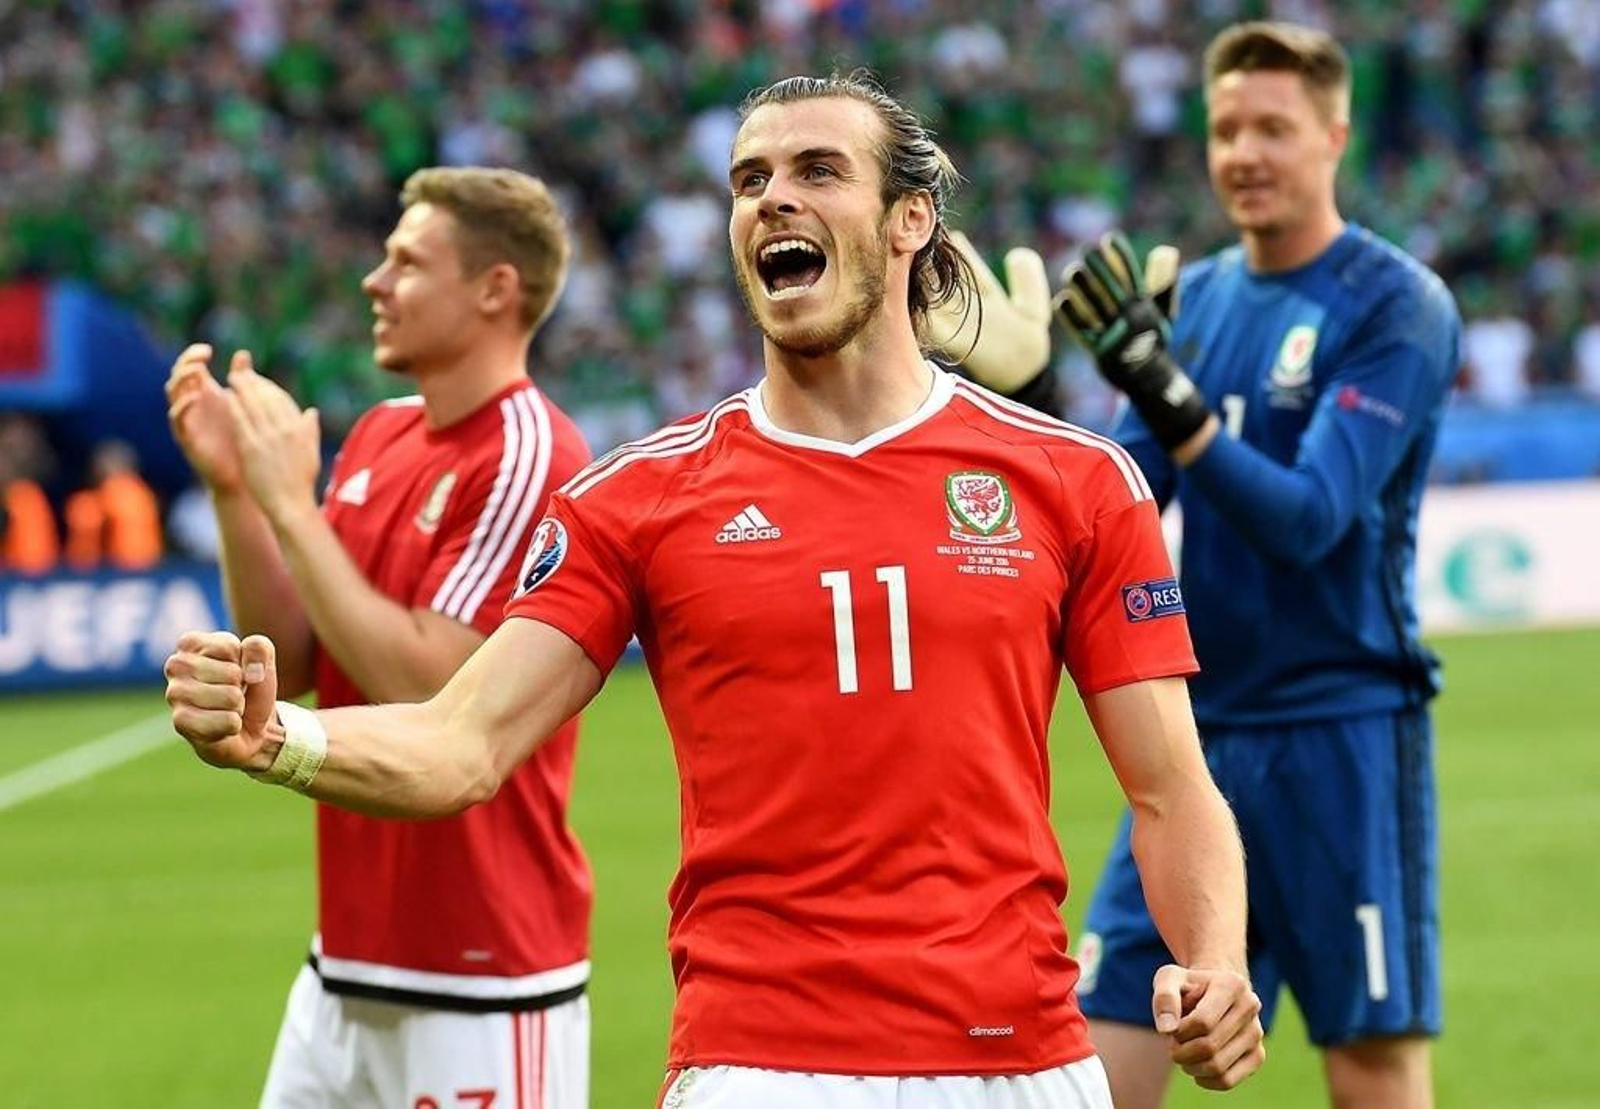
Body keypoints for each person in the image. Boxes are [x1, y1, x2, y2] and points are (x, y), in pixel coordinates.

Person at [164, 75, 1265, 1108]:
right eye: (748, 181)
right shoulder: (638, 498)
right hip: (755, 1065)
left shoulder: (1073, 480)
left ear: (910, 218)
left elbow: (1171, 787)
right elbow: (462, 743)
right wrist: (283, 738)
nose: (772, 197)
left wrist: (1214, 962)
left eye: (818, 171)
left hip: (1012, 1061)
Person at [971, 22, 1458, 1109]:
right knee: (1099, 1061)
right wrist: (1040, 404)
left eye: (1273, 128)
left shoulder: (1395, 304)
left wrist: (1159, 384)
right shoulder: (1197, 300)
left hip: (1343, 734)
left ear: (1333, 135)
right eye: (1225, 127)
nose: (1244, 151)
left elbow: (1310, 518)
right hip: (1194, 747)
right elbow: (1121, 499)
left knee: (1372, 1071)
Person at [164, 166, 595, 1108]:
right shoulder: (381, 435)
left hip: (480, 978)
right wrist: (239, 492)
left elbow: (429, 687)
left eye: (407, 261)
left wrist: (290, 503)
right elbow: (299, 652)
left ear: (494, 290)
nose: (376, 281)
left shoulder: (531, 453)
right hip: (344, 966)